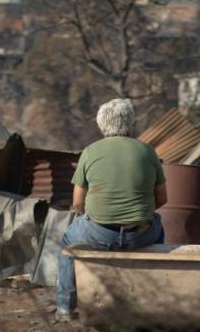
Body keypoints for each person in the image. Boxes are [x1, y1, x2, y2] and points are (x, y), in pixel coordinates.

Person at [55, 98, 167, 321]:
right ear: (130, 122)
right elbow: (162, 198)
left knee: (68, 243)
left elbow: (78, 202)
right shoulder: (148, 152)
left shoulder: (89, 151)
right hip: (142, 235)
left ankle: (65, 308)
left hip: (100, 234)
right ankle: (155, 301)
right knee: (159, 226)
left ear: (101, 124)